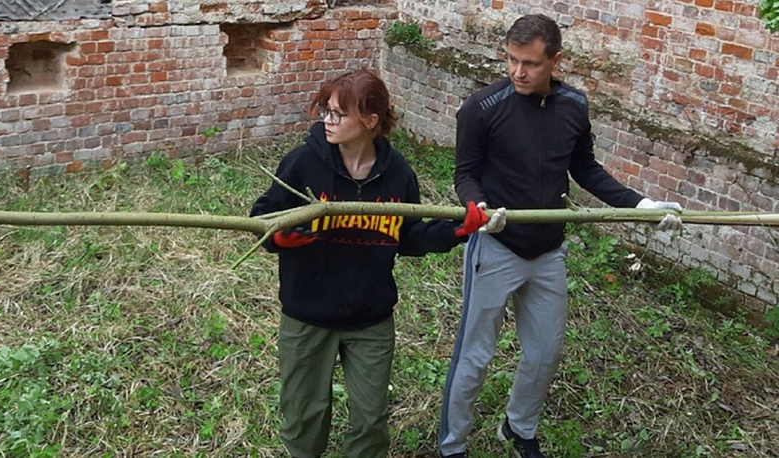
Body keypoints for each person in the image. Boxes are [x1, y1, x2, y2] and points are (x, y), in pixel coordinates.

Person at [438, 14, 682, 458]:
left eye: (530, 63)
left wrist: (641, 206)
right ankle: (452, 445)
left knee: (545, 352)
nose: (518, 72)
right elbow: (465, 174)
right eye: (511, 60)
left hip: (548, 250)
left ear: (555, 60)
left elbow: (585, 168)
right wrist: (481, 208)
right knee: (474, 356)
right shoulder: (482, 107)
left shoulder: (573, 105)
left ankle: (519, 428)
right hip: (497, 245)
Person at [250, 69, 497, 458]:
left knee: (370, 419)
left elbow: (409, 238)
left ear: (370, 121)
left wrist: (456, 231)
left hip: (370, 319)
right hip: (307, 315)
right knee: (303, 414)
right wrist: (277, 237)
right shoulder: (302, 164)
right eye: (325, 111)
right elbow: (264, 215)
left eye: (338, 114)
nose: (328, 121)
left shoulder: (397, 175)